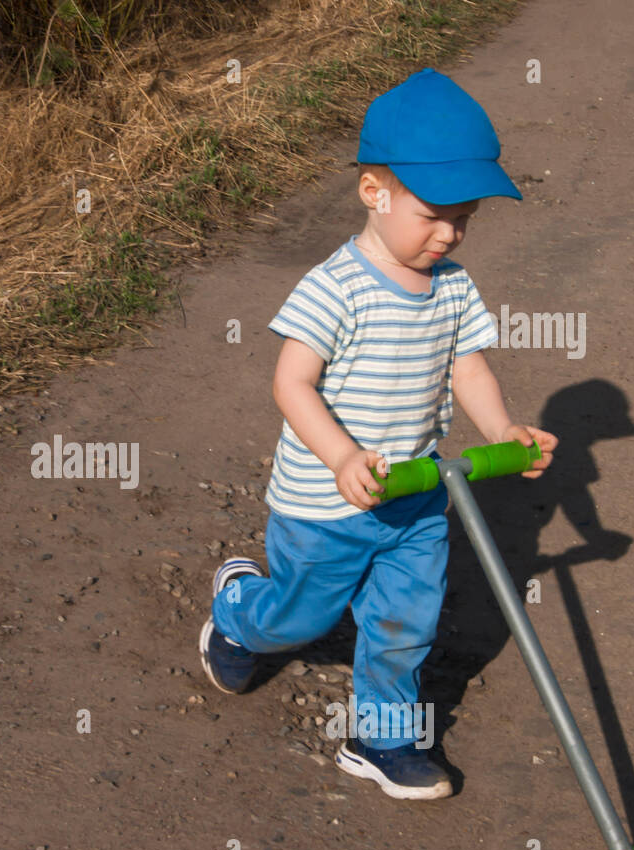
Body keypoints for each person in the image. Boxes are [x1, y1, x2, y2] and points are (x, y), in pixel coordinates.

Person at [199, 68, 558, 800]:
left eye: (464, 218)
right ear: (375, 192)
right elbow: (290, 383)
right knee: (302, 617)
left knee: (404, 621)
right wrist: (340, 457)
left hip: (415, 495)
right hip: (326, 502)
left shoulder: (453, 286)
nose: (450, 233)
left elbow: (470, 369)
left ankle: (381, 738)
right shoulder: (336, 287)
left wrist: (502, 430)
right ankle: (238, 613)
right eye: (434, 214)